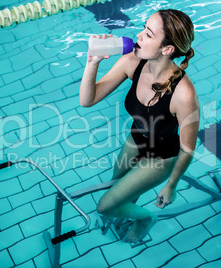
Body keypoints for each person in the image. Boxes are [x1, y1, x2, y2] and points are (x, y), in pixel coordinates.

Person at [79, 9, 200, 243]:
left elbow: (187, 148)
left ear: (167, 49)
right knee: (117, 185)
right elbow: (87, 101)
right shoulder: (132, 62)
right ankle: (125, 215)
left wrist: (171, 186)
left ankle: (146, 218)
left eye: (148, 34)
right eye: (144, 28)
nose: (139, 35)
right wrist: (92, 62)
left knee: (104, 206)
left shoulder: (184, 94)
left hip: (161, 157)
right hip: (136, 139)